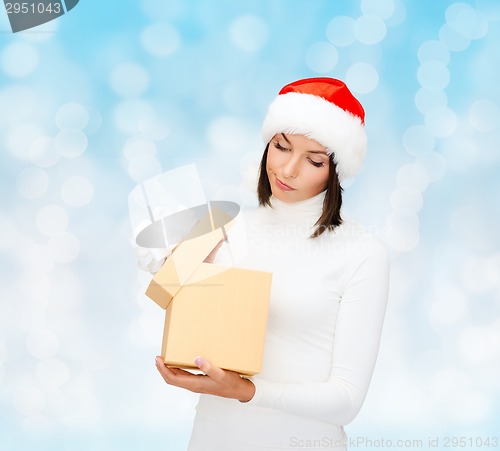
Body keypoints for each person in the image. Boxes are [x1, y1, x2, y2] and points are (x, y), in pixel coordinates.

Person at [154, 77, 390, 450]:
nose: (288, 169)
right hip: (213, 437)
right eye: (281, 147)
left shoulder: (361, 251)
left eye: (313, 160)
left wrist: (248, 391)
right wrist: (177, 275)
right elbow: (174, 315)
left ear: (336, 172)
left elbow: (346, 401)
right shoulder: (223, 225)